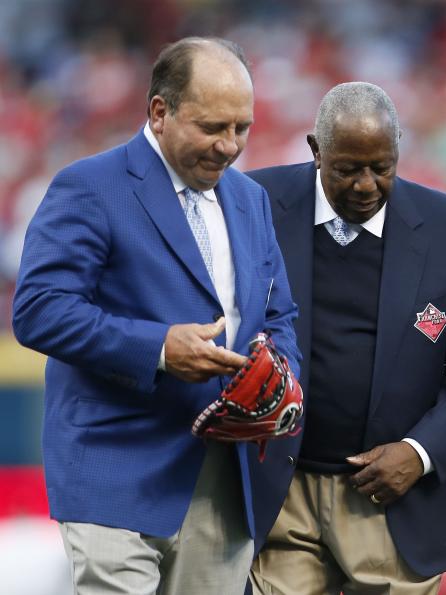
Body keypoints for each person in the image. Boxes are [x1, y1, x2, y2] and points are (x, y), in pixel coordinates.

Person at [11, 37, 300, 594]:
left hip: (220, 476)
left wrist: (277, 373)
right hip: (116, 466)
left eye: (242, 128)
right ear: (160, 113)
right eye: (213, 127)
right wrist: (160, 350)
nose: (229, 145)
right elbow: (40, 310)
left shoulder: (249, 199)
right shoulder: (91, 186)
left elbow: (277, 313)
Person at [245, 82, 446, 595]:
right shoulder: (254, 204)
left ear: (398, 149)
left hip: (396, 501)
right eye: (347, 169)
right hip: (282, 491)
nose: (366, 185)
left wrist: (421, 451)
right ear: (315, 150)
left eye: (381, 167)